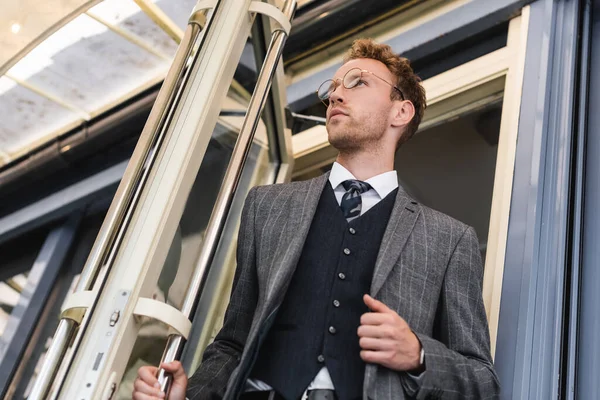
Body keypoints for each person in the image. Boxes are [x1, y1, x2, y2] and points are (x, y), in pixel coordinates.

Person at [132, 38, 500, 400]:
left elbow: (482, 381)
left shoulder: (449, 239)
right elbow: (233, 342)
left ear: (400, 112)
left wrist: (418, 355)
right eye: (334, 87)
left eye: (357, 83)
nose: (336, 96)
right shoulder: (267, 206)